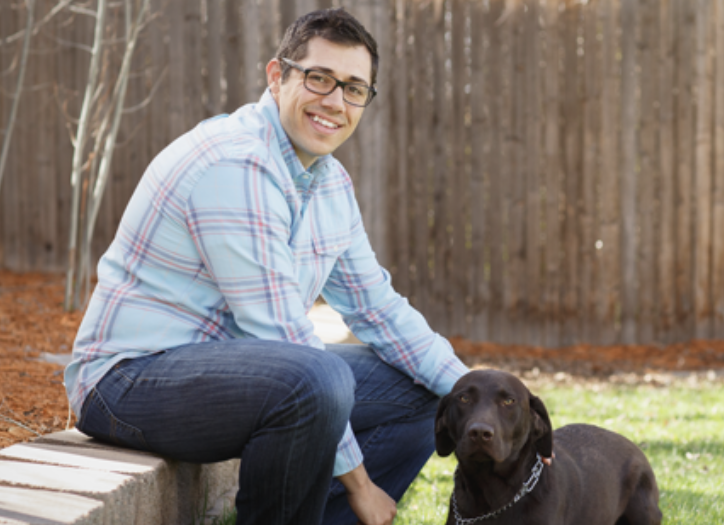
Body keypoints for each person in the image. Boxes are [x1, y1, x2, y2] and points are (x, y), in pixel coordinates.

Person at [64, 8, 469, 524]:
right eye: (319, 78)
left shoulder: (330, 183)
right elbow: (281, 336)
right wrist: (362, 485)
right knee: (314, 378)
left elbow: (379, 308)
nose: (335, 102)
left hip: (232, 375)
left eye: (353, 88)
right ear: (277, 77)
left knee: (424, 390)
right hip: (127, 383)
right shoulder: (235, 163)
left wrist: (481, 395)